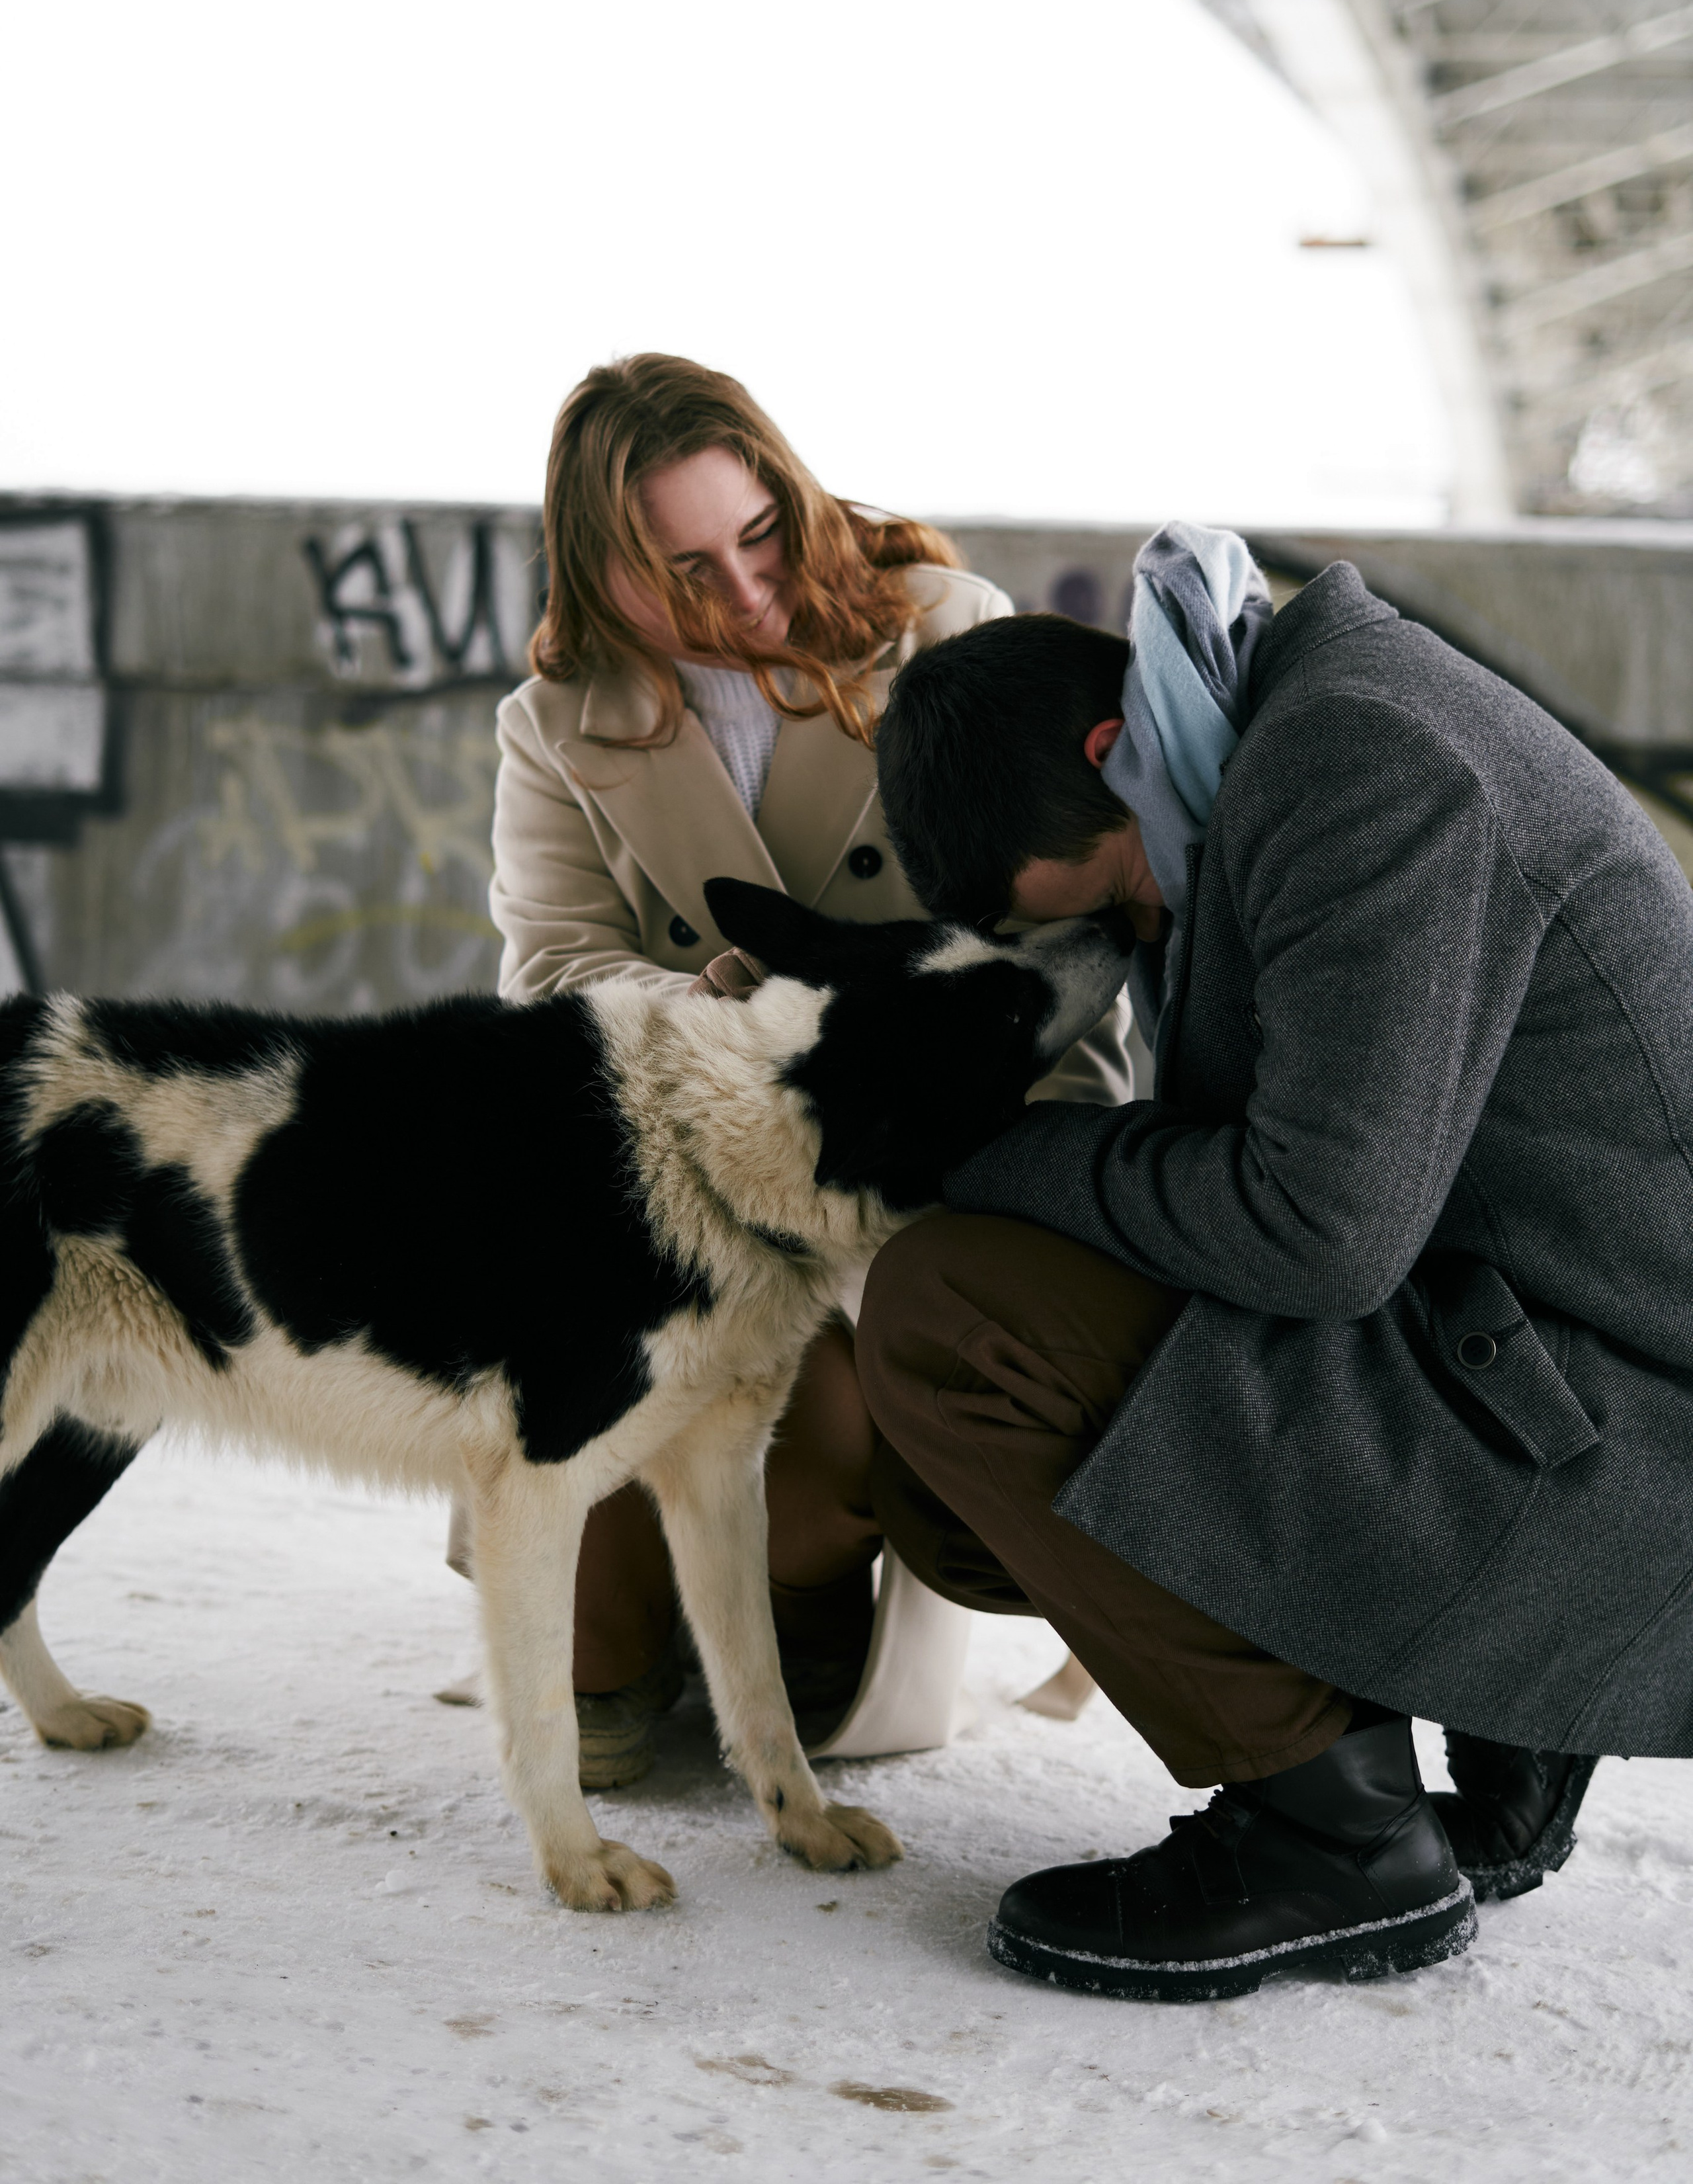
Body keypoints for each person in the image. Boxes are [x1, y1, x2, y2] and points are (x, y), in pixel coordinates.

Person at [856, 521, 1693, 2003]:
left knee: (951, 1313)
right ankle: (1492, 1722)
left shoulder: (1356, 765)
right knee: (958, 1487)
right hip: (1556, 1369)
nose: (1131, 932)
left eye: (1109, 903)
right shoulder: (1276, 736)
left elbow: (1318, 1233)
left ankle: (1338, 1841)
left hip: (1626, 1459)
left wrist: (983, 1154)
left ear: (1111, 752)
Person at [447, 352, 1132, 1786]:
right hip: (699, 1141)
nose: (749, 595)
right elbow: (554, 969)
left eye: (761, 535)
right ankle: (620, 1627)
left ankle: (797, 1593)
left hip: (926, 1154)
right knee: (614, 1320)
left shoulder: (943, 631)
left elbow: (1055, 925)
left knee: (824, 1390)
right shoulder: (554, 720)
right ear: (600, 567)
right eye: (685, 569)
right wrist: (720, 1012)